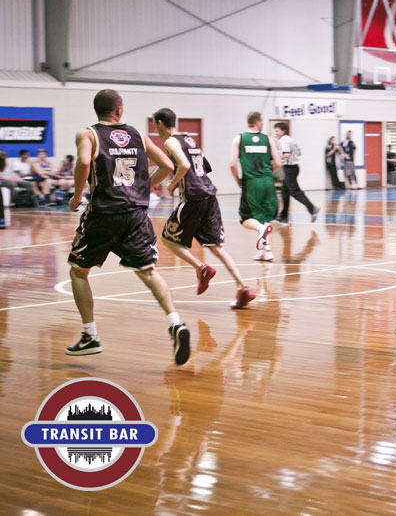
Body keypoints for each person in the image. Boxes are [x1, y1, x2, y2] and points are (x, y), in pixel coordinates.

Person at [66, 89, 192, 365]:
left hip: (103, 214)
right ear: (119, 110)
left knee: (78, 271)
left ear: (97, 110)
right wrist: (142, 186)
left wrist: (76, 197)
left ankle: (90, 335)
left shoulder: (88, 134)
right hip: (135, 215)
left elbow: (84, 161)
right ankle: (175, 323)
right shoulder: (138, 135)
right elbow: (167, 165)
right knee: (148, 271)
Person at [153, 107, 256, 309]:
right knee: (216, 247)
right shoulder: (189, 139)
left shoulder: (170, 141)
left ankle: (201, 268)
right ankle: (243, 287)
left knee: (168, 239)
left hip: (193, 198)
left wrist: (173, 183)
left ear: (160, 123)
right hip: (210, 195)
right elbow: (204, 167)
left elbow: (184, 165)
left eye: (156, 126)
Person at [229, 111, 282, 262]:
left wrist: (238, 181)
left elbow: (232, 164)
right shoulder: (268, 139)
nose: (263, 124)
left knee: (245, 218)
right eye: (262, 121)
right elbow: (278, 163)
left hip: (251, 182)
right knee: (264, 216)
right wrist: (267, 173)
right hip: (267, 182)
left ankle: (260, 229)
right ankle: (267, 251)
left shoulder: (239, 139)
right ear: (257, 122)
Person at [273, 122, 319, 224]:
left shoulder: (283, 140)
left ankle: (312, 208)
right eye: (275, 131)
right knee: (284, 192)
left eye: (277, 131)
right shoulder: (291, 139)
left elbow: (286, 154)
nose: (276, 133)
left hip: (289, 168)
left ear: (283, 131)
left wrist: (276, 158)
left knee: (295, 192)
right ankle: (283, 216)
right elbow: (299, 153)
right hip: (294, 167)